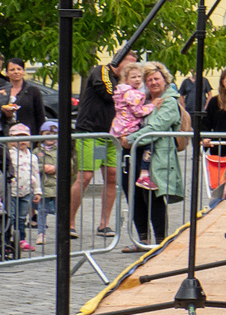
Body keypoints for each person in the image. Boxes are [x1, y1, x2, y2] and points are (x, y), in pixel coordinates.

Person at [71, 49, 136, 240]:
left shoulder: (125, 84)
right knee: (85, 176)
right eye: (128, 65)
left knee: (111, 176)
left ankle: (104, 224)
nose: (130, 70)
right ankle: (69, 223)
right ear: (119, 61)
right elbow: (109, 93)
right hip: (90, 132)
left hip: (109, 135)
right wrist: (128, 90)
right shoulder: (101, 71)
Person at [122, 62, 184, 252]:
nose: (153, 82)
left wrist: (129, 140)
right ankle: (142, 240)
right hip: (134, 155)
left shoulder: (170, 102)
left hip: (154, 156)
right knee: (134, 197)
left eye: (156, 78)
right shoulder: (141, 99)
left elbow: (156, 128)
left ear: (165, 80)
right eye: (149, 80)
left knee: (152, 198)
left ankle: (160, 241)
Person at [110, 63, 158, 190]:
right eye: (133, 77)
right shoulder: (134, 94)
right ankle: (144, 173)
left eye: (139, 77)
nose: (137, 80)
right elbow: (138, 111)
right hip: (129, 127)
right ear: (126, 79)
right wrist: (152, 105)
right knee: (148, 142)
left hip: (119, 126)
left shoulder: (121, 91)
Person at [4, 124, 43, 251]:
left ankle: (20, 239)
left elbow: (35, 173)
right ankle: (6, 239)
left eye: (25, 138)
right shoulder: (9, 154)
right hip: (12, 190)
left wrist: (37, 191)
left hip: (26, 191)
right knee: (11, 216)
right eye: (18, 138)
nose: (22, 141)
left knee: (22, 217)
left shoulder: (32, 157)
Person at [4, 58, 47, 137]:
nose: (16, 72)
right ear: (7, 73)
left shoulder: (33, 91)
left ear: (23, 71)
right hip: (8, 135)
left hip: (29, 135)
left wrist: (41, 137)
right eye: (12, 70)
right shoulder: (2, 91)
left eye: (19, 69)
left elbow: (40, 116)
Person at [34, 119, 59, 248]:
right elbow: (32, 164)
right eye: (47, 133)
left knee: (58, 210)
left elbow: (69, 164)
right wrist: (44, 167)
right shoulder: (37, 151)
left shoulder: (60, 150)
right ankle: (41, 233)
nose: (50, 137)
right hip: (43, 186)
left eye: (53, 134)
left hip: (57, 186)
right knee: (42, 210)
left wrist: (56, 167)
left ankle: (62, 233)